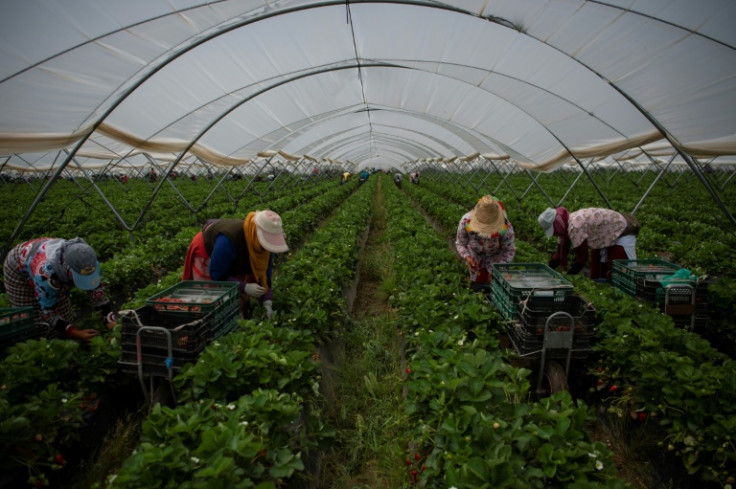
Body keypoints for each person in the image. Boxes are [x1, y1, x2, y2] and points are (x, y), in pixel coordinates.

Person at [2, 237, 116, 342]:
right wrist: (75, 332)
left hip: (45, 257)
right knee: (36, 321)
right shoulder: (46, 274)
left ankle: (64, 336)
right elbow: (48, 312)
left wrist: (110, 320)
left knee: (65, 314)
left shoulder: (87, 260)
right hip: (18, 267)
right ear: (67, 270)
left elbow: (97, 292)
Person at [182, 210, 289, 319]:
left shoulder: (263, 246)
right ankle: (206, 324)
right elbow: (217, 276)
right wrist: (244, 286)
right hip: (208, 250)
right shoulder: (228, 240)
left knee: (238, 298)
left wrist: (267, 302)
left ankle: (238, 318)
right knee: (211, 296)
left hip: (234, 253)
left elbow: (266, 273)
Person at [537, 207, 640, 280]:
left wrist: (568, 278)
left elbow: (582, 258)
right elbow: (558, 255)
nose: (554, 233)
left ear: (558, 224)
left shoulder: (575, 227)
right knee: (596, 273)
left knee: (615, 270)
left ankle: (623, 294)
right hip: (603, 236)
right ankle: (603, 287)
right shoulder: (564, 229)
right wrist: (546, 272)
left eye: (553, 229)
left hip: (621, 229)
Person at [455, 195, 516, 290]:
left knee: (495, 290)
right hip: (476, 258)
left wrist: (497, 270)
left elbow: (509, 250)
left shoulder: (505, 227)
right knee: (477, 287)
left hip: (497, 259)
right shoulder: (465, 222)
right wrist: (467, 257)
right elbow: (460, 243)